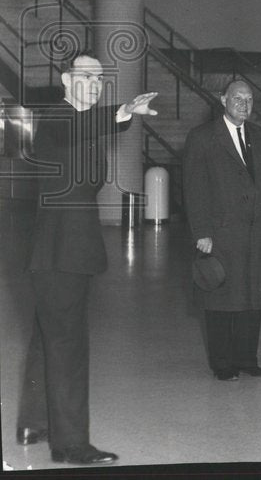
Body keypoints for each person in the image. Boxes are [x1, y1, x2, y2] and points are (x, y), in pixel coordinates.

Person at [17, 50, 157, 466]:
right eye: (86, 76)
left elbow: (85, 132)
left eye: (100, 78)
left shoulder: (81, 127)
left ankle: (33, 422)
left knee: (49, 338)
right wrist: (125, 111)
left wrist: (120, 115)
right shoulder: (58, 117)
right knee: (69, 346)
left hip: (65, 249)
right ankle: (71, 444)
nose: (95, 84)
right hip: (61, 252)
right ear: (65, 80)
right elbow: (80, 124)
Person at [183, 79, 261, 382]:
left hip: (256, 233)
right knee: (221, 297)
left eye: (250, 99)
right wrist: (201, 231)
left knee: (251, 297)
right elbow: (194, 187)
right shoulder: (202, 137)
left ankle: (247, 359)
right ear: (223, 99)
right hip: (220, 232)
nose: (244, 104)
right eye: (238, 98)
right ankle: (222, 362)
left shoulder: (259, 135)